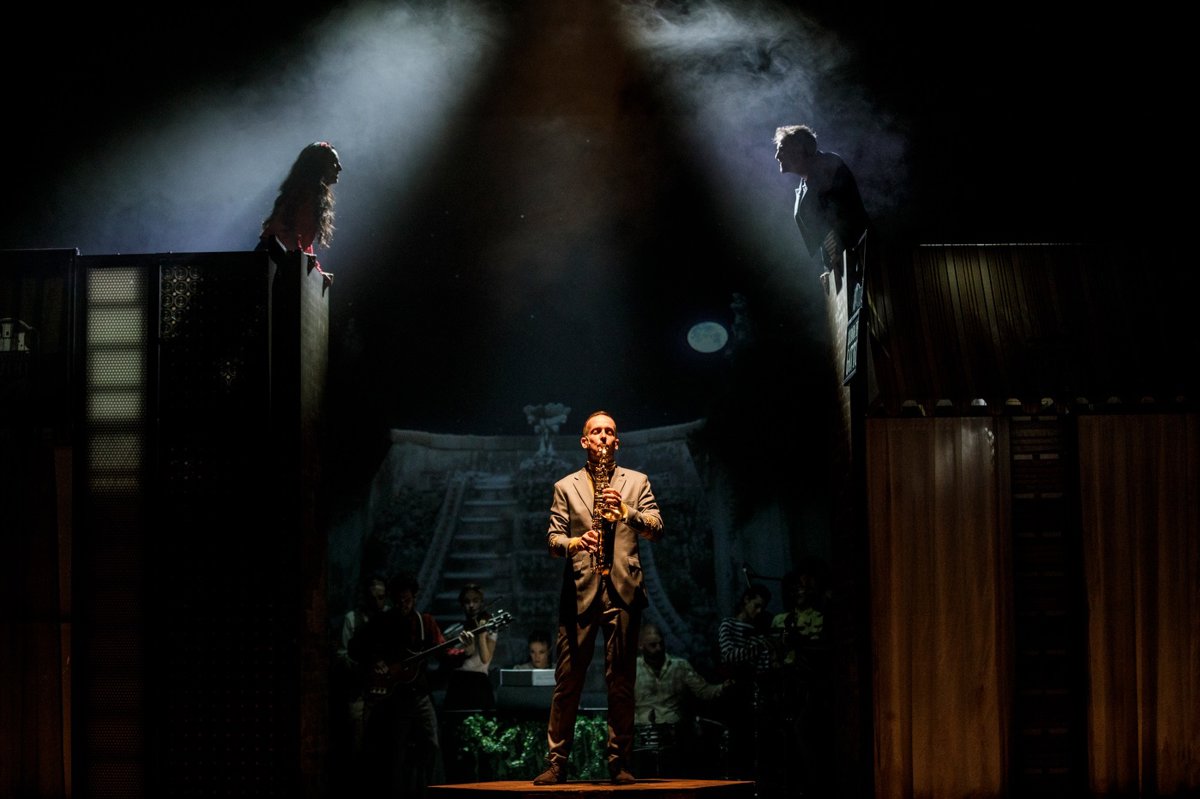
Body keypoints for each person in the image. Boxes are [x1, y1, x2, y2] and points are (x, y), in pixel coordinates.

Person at [533, 410, 665, 785]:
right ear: (585, 441)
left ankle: (619, 763)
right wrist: (577, 542)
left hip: (623, 589)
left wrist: (626, 511)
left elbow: (656, 527)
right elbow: (552, 539)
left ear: (616, 442)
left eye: (609, 432)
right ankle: (557, 763)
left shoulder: (637, 481)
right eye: (597, 432)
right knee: (568, 682)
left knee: (621, 682)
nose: (604, 436)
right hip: (580, 590)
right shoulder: (565, 486)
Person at [348, 571, 465, 797]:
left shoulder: (425, 622)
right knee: (394, 752)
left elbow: (443, 651)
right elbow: (355, 647)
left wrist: (462, 650)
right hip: (392, 698)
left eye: (408, 600)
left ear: (414, 597)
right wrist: (376, 660)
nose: (403, 605)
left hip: (419, 693)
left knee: (432, 744)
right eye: (399, 600)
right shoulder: (382, 621)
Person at [773, 124, 869, 280]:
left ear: (798, 150)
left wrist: (839, 262)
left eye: (781, 149)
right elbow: (822, 234)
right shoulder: (804, 185)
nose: (777, 156)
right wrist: (829, 269)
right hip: (844, 267)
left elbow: (842, 221)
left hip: (862, 262)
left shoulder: (827, 165)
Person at [633, 622, 728, 777]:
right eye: (653, 645)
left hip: (676, 738)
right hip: (641, 739)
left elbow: (704, 691)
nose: (659, 648)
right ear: (641, 646)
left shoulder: (680, 666)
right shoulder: (632, 669)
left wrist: (725, 687)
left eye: (661, 644)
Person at [333, 573, 391, 789]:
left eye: (381, 597)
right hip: (358, 689)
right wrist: (364, 667)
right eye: (372, 598)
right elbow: (342, 654)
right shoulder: (353, 618)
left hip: (385, 690)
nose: (377, 602)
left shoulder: (390, 618)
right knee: (357, 741)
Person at [716, 583, 778, 784]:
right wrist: (757, 647)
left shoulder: (759, 632)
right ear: (746, 600)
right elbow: (728, 656)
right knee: (737, 739)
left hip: (754, 691)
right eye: (756, 605)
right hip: (735, 691)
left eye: (762, 608)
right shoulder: (728, 625)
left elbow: (763, 667)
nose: (758, 611)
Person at [258, 140, 342, 287]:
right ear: (319, 166)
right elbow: (289, 235)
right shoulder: (304, 193)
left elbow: (301, 240)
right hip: (270, 259)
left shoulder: (312, 193)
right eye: (334, 163)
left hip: (278, 258)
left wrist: (316, 271)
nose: (340, 168)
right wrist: (311, 268)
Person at [441, 582, 498, 712]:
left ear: (481, 603)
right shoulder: (454, 629)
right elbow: (445, 662)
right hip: (457, 682)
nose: (471, 605)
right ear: (462, 604)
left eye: (476, 601)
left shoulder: (489, 628)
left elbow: (485, 658)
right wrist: (464, 651)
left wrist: (481, 634)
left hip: (479, 682)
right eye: (467, 602)